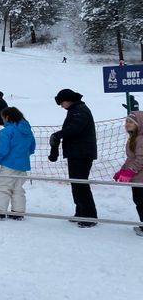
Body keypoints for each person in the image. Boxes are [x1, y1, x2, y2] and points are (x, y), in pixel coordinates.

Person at [49, 89, 98, 227]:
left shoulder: (79, 111)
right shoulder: (76, 109)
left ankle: (89, 216)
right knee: (76, 184)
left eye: (61, 103)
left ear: (68, 100)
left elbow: (75, 129)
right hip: (76, 153)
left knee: (80, 184)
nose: (61, 106)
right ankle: (81, 212)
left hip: (81, 154)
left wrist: (58, 134)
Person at [0, 107, 36, 220]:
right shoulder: (28, 131)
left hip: (9, 164)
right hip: (23, 165)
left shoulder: (7, 131)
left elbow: (2, 149)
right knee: (18, 188)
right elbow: (32, 148)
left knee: (4, 186)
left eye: (3, 117)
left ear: (7, 117)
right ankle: (18, 212)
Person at [116, 111, 143, 237]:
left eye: (131, 122)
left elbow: (140, 159)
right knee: (138, 201)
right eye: (126, 122)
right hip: (137, 178)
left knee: (141, 201)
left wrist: (129, 171)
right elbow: (131, 158)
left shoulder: (141, 139)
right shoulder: (134, 138)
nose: (127, 124)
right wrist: (122, 170)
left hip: (140, 178)